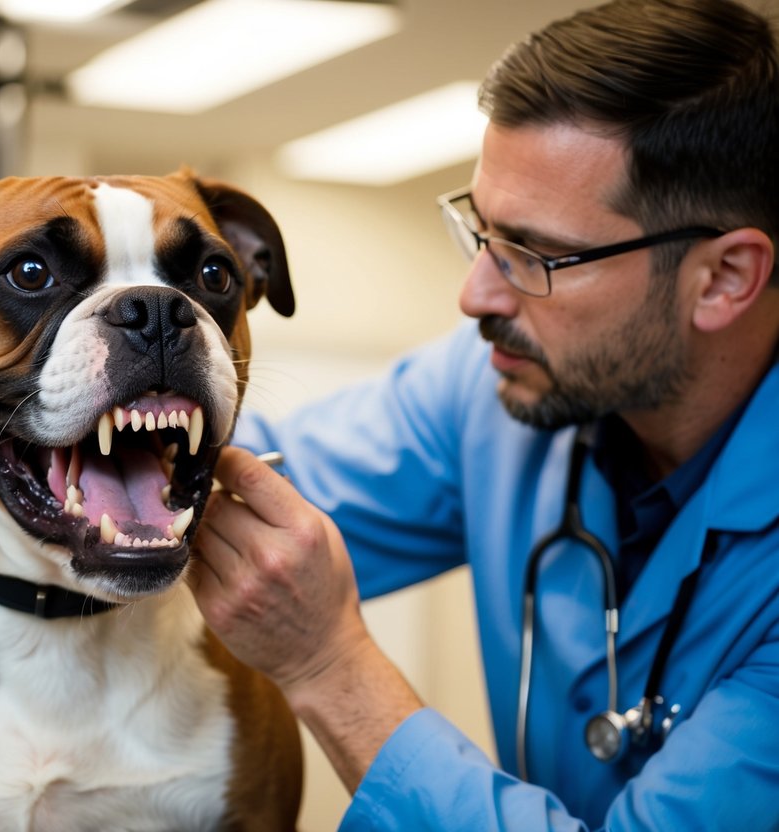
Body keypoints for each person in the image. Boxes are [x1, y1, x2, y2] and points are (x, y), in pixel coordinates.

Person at [188, 0, 779, 828]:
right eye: (481, 232)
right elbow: (243, 487)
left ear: (722, 279)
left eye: (535, 256)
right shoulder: (493, 389)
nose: (474, 296)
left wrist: (329, 666)